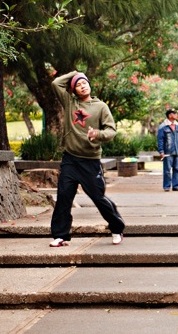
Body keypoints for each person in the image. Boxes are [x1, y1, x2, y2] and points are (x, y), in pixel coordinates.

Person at [49, 71, 125, 247]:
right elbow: (56, 84)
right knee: (64, 197)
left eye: (84, 82)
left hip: (90, 161)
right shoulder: (70, 102)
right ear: (73, 90)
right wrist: (76, 73)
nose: (83, 85)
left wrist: (97, 134)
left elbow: (111, 131)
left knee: (98, 197)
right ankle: (60, 235)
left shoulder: (100, 107)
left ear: (89, 85)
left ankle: (116, 228)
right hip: (70, 159)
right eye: (78, 84)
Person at [157, 109, 178, 191]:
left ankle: (176, 185)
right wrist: (161, 151)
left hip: (177, 151)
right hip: (167, 152)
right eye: (174, 114)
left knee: (177, 169)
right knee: (167, 170)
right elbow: (160, 140)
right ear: (170, 115)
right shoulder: (163, 127)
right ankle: (167, 186)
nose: (176, 115)